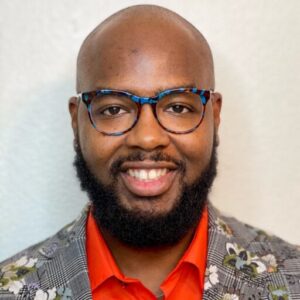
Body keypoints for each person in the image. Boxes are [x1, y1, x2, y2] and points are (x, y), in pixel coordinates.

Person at [0, 4, 299, 300]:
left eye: (178, 107)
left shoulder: (292, 281)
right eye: (114, 108)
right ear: (76, 122)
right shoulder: (10, 290)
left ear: (214, 117)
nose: (147, 138)